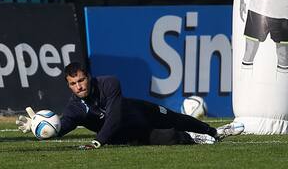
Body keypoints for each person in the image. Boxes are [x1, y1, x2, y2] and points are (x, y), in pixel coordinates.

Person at [16, 62, 244, 149]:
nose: (79, 86)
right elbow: (62, 127)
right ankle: (197, 139)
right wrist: (41, 128)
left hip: (135, 110)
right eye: (73, 83)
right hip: (127, 132)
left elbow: (114, 115)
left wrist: (97, 141)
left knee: (174, 116)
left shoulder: (109, 83)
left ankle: (215, 131)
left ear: (89, 77)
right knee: (168, 137)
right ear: (69, 86)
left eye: (81, 80)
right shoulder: (75, 109)